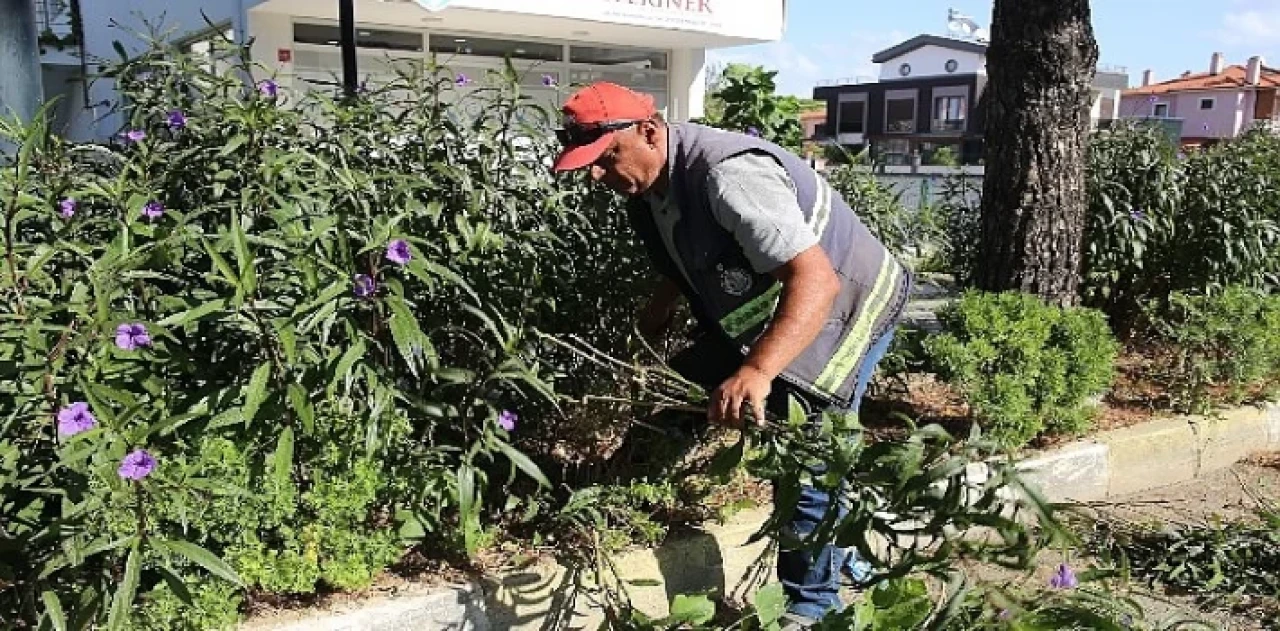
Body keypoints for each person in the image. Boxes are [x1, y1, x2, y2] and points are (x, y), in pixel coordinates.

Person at [551, 82, 912, 625]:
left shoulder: (732, 176)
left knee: (807, 453)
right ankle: (618, 497)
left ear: (648, 132)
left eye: (604, 159)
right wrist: (660, 308)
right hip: (778, 301)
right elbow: (689, 246)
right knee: (679, 395)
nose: (597, 176)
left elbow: (814, 281)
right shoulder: (649, 180)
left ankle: (812, 610)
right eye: (588, 166)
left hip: (844, 300)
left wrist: (759, 370)